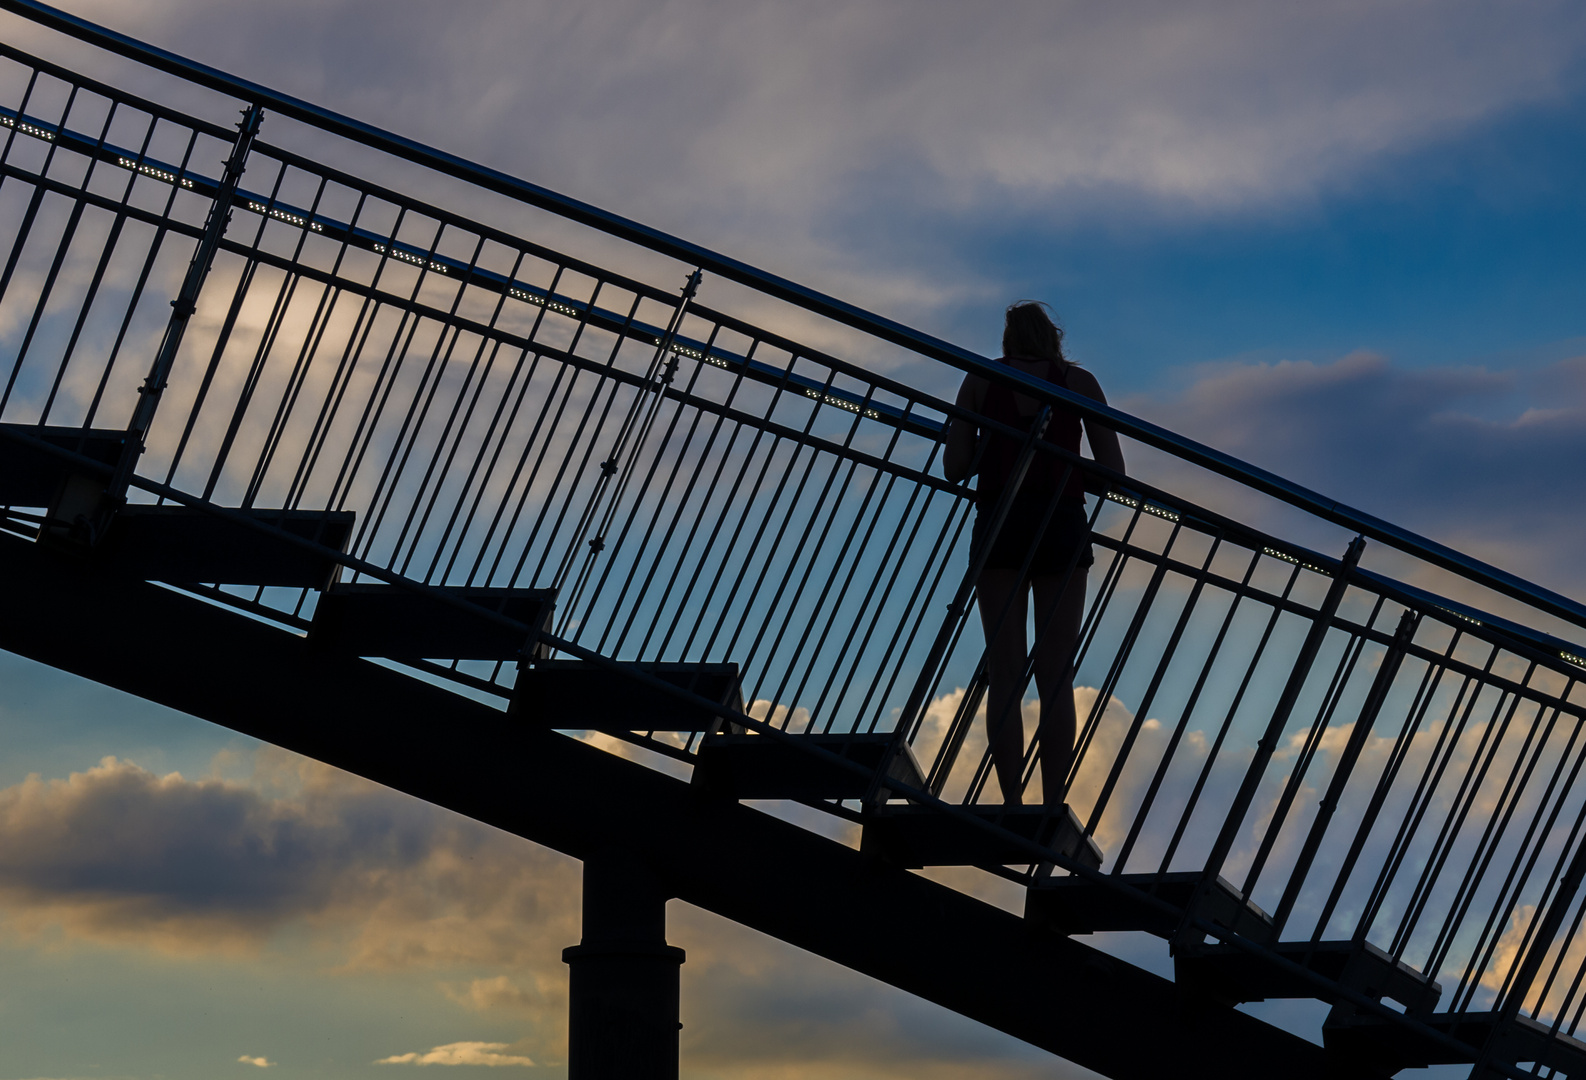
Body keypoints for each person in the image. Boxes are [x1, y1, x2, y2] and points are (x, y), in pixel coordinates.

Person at [943, 302, 1125, 808]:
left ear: (1007, 339)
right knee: (1056, 674)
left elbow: (955, 466)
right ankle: (1051, 799)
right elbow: (1115, 471)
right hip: (1061, 524)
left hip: (1001, 522)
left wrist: (992, 449)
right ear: (1053, 338)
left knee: (1005, 671)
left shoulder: (981, 379)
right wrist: (1065, 471)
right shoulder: (1080, 383)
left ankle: (1010, 801)